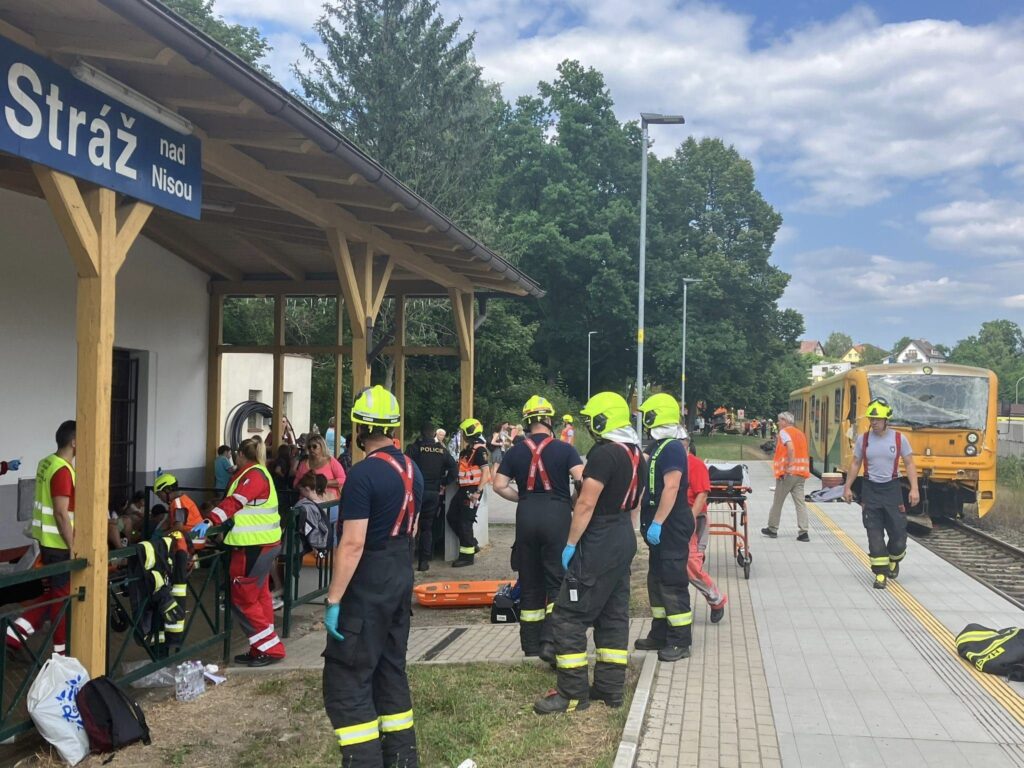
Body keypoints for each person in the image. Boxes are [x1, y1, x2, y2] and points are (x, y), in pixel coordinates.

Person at [323, 385, 422, 767]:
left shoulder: (362, 475)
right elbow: (412, 528)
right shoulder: (412, 470)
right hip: (400, 572)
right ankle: (402, 759)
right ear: (394, 427)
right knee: (390, 669)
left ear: (359, 428)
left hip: (369, 581)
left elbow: (352, 543)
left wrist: (333, 599)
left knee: (348, 677)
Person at [535, 392, 642, 714]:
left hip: (600, 537)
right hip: (622, 535)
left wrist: (571, 544)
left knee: (568, 615)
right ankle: (610, 690)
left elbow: (586, 502)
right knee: (612, 614)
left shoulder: (604, 454)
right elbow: (634, 502)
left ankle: (572, 694)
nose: (588, 425)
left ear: (603, 419)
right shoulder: (635, 452)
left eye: (591, 419)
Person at [493, 396, 583, 660]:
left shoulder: (515, 451)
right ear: (550, 420)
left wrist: (522, 498)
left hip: (526, 515)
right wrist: (572, 501)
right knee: (557, 582)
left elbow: (498, 485)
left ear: (527, 422)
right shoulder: (565, 449)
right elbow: (581, 480)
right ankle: (550, 642)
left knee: (530, 582)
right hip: (557, 515)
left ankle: (530, 646)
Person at [203, 436, 286, 666]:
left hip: (252, 547)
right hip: (261, 545)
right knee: (259, 597)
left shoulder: (253, 475)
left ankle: (270, 649)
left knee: (243, 600)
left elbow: (236, 502)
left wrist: (210, 520)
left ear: (240, 454)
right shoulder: (257, 472)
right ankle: (261, 648)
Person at [6, 420, 76, 655]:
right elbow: (60, 512)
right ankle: (60, 652)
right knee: (60, 597)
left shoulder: (46, 462)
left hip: (46, 541)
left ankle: (16, 632)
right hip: (60, 544)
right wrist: (73, 545)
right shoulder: (63, 470)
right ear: (74, 442)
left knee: (54, 593)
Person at [634, 394, 694, 661]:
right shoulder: (659, 446)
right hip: (660, 526)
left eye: (646, 416)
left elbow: (671, 487)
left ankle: (680, 641)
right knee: (656, 580)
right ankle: (660, 634)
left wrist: (657, 522)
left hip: (670, 525)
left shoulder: (671, 448)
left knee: (672, 582)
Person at [842, 398, 919, 589]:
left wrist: (914, 488)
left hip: (892, 489)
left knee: (899, 535)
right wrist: (847, 487)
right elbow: (855, 463)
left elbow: (910, 463)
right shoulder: (864, 440)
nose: (873, 422)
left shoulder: (899, 439)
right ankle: (881, 574)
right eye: (871, 419)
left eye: (877, 419)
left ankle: (894, 560)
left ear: (886, 420)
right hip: (871, 490)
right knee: (874, 534)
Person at [682, 436, 726, 622]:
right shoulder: (669, 462)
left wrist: (689, 519)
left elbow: (702, 495)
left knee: (690, 564)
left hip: (694, 518)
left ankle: (716, 599)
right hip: (674, 519)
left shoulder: (695, 465)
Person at [406, 421, 457, 571]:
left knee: (411, 526)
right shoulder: (441, 450)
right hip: (433, 492)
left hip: (415, 493)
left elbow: (404, 465)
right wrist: (444, 483)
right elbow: (454, 469)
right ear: (434, 434)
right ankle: (424, 562)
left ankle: (407, 560)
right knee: (427, 527)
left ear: (421, 433)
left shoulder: (414, 448)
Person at [446, 418, 490, 567]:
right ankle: (471, 543)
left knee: (465, 523)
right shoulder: (467, 451)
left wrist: (478, 492)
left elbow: (486, 472)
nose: (462, 435)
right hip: (463, 489)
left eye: (463, 432)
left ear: (469, 432)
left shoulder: (480, 451)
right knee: (452, 516)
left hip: (472, 491)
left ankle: (467, 557)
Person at [762, 411, 811, 541]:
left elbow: (790, 448)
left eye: (779, 420)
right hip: (801, 474)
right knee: (800, 503)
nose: (778, 423)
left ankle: (772, 528)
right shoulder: (800, 433)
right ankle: (804, 532)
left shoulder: (784, 432)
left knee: (778, 502)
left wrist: (789, 466)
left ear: (785, 421)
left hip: (788, 475)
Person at [294, 434, 346, 502]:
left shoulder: (331, 461)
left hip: (328, 501)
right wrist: (305, 486)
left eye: (314, 446)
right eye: (309, 447)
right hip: (307, 501)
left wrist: (323, 483)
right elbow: (295, 483)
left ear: (322, 447)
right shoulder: (303, 464)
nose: (311, 449)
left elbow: (343, 479)